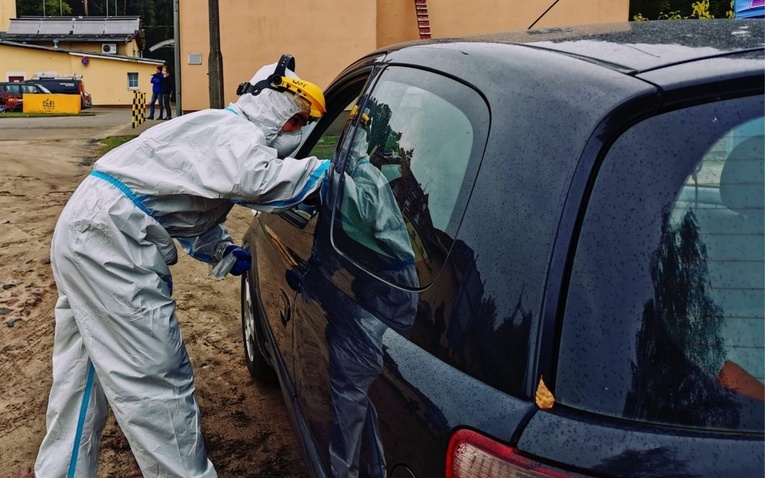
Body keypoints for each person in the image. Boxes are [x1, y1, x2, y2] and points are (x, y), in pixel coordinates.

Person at [28, 54, 328, 478]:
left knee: (83, 373)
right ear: (274, 109)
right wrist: (331, 175)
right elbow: (262, 183)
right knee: (155, 379)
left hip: (87, 229)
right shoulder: (235, 134)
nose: (297, 134)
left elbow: (185, 206)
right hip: (109, 241)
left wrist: (220, 249)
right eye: (296, 123)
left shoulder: (218, 129)